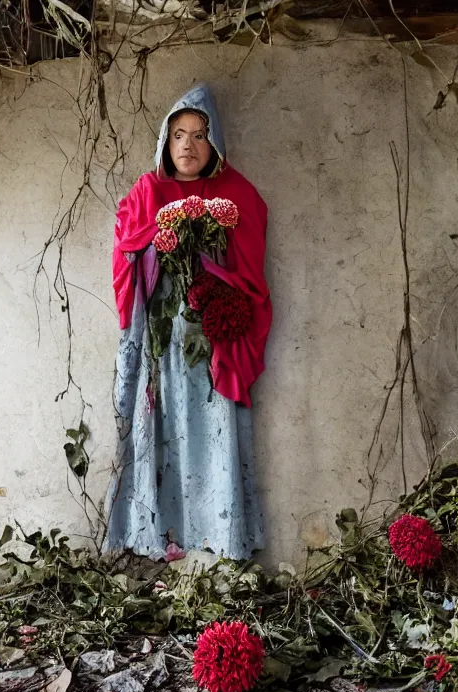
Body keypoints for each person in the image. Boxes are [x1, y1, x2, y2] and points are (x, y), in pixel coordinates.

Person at [105, 84, 272, 560]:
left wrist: (212, 272)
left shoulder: (235, 193)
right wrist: (162, 238)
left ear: (214, 142)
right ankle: (158, 536)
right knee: (160, 423)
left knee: (214, 425)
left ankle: (220, 537)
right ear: (165, 141)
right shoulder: (147, 191)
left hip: (213, 340)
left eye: (199, 135)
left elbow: (249, 267)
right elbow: (127, 248)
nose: (188, 146)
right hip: (163, 339)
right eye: (179, 134)